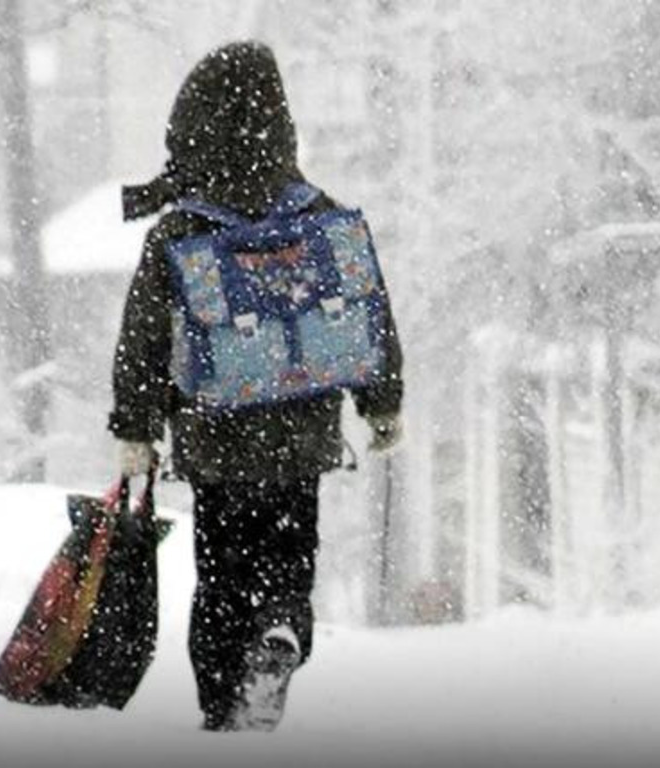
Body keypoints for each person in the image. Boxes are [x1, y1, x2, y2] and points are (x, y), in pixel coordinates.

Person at [109, 41, 403, 731]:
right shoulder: (317, 212)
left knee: (222, 571)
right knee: (289, 555)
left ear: (192, 133)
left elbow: (143, 338)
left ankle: (221, 708)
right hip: (302, 435)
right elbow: (368, 309)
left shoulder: (181, 227)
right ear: (282, 128)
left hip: (216, 437)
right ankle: (281, 630)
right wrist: (382, 402)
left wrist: (136, 427)